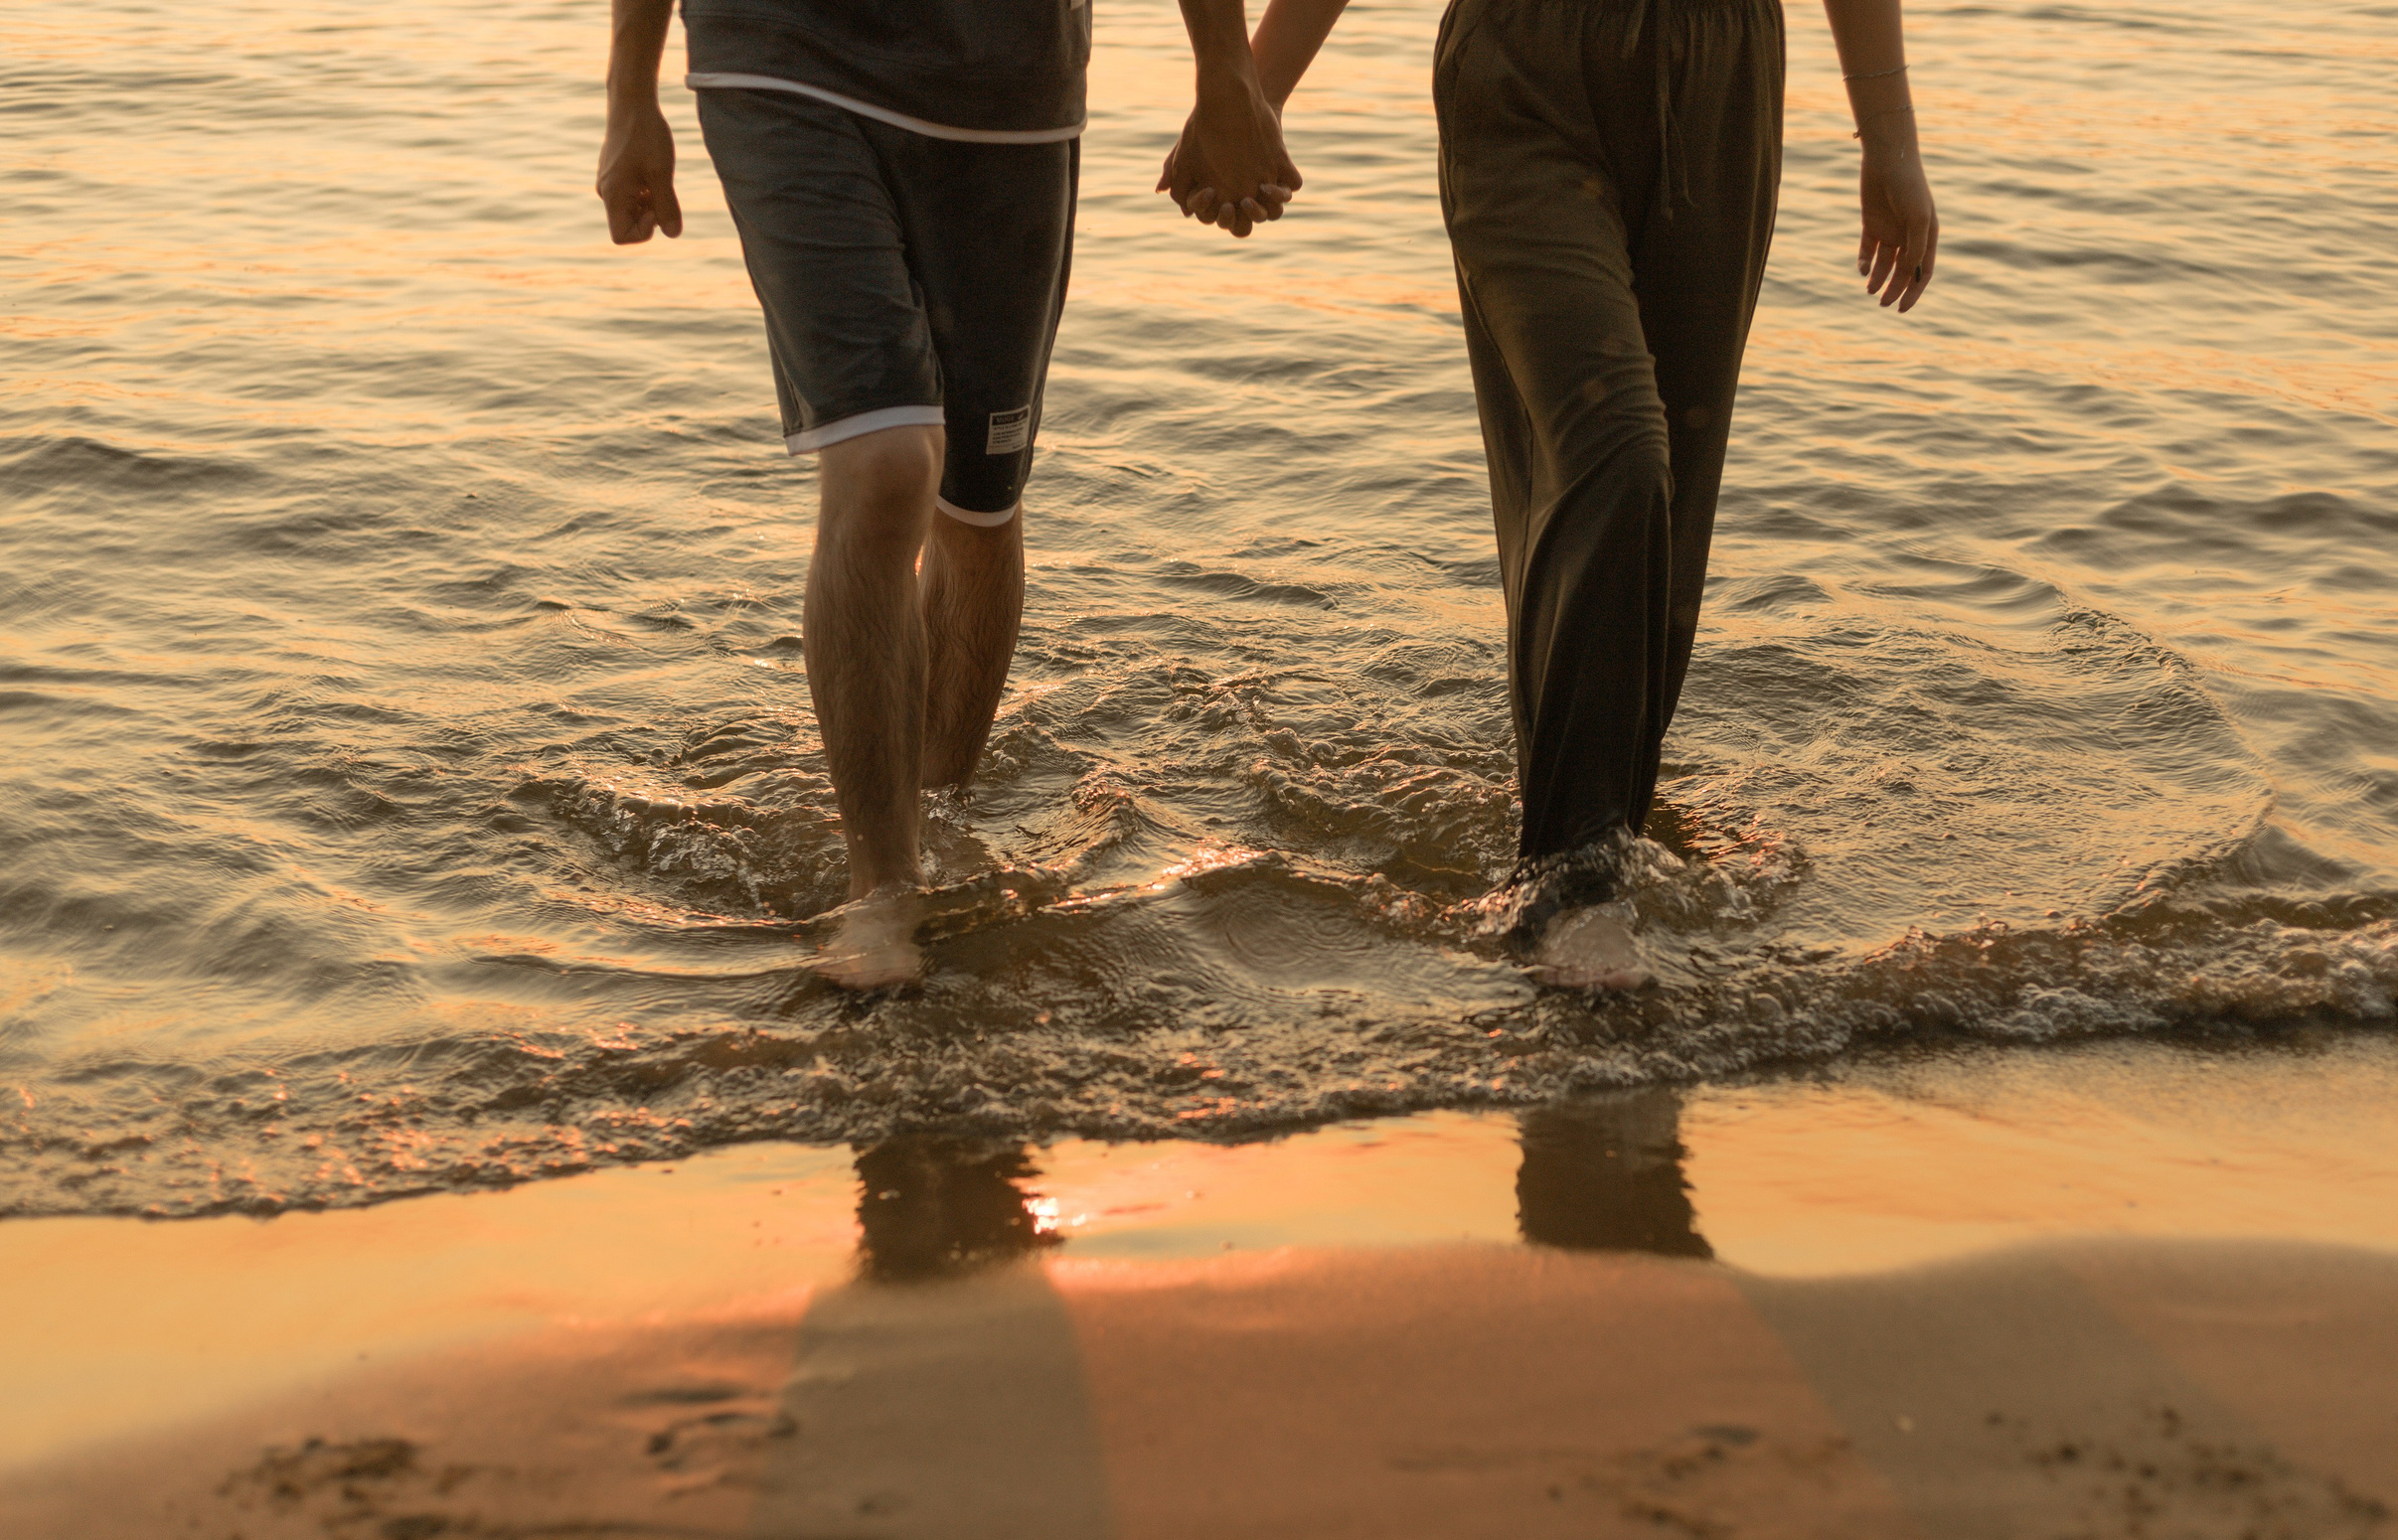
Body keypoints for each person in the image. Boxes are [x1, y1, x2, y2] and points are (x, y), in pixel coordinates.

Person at [1163, 0, 1939, 990]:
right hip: (1519, 78)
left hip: (1722, 78)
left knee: (1670, 514)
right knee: (1617, 451)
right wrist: (1249, 93)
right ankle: (1573, 892)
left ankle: (1593, 852)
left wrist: (1890, 144)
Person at [597, 0, 1301, 988]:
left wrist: (1228, 72)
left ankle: (938, 816)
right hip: (778, 60)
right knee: (886, 463)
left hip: (1010, 94)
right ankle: (880, 893)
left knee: (978, 506)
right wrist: (630, 94)